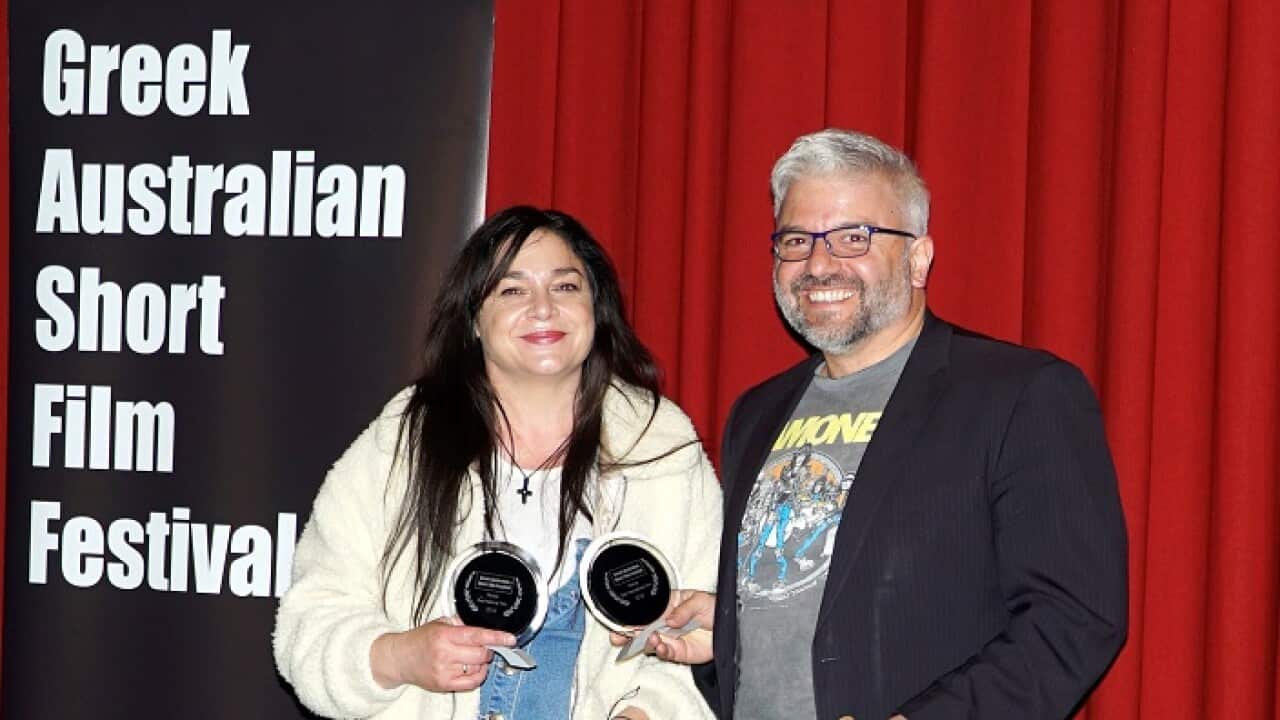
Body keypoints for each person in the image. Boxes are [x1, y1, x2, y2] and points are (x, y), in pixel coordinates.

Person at [643, 129, 1128, 719]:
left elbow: (1073, 619)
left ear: (919, 258)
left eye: (854, 237)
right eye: (797, 239)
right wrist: (727, 641)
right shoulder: (757, 412)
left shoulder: (1019, 394)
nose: (819, 264)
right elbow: (823, 607)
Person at [273, 206, 721, 719]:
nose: (543, 308)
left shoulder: (659, 447)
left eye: (566, 287)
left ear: (597, 309)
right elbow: (307, 623)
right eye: (512, 290)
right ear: (473, 321)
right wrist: (400, 656)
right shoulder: (401, 443)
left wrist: (645, 715)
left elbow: (699, 637)